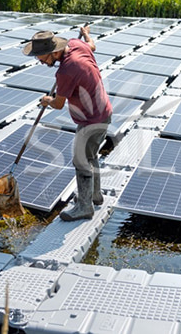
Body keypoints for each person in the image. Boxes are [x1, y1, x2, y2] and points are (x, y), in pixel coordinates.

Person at [22, 25, 112, 221]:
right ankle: (94, 195)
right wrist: (86, 34)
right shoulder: (76, 44)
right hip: (103, 112)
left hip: (91, 120)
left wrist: (47, 100)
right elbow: (92, 45)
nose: (39, 61)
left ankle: (84, 207)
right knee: (90, 155)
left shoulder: (66, 71)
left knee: (81, 161)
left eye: (41, 57)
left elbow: (58, 104)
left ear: (53, 52)